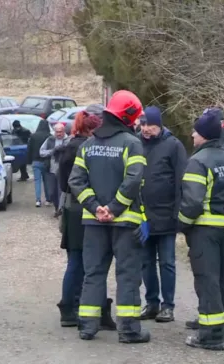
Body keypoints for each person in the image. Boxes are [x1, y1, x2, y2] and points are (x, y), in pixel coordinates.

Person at [68, 90, 149, 344]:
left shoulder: (88, 145)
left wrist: (96, 208)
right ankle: (129, 331)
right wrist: (114, 209)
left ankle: (87, 327)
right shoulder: (132, 143)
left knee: (93, 273)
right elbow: (133, 180)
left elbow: (76, 181)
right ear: (129, 116)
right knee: (127, 276)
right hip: (125, 224)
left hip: (93, 223)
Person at [178, 108, 224, 351]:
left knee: (208, 281)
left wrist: (182, 226)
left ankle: (211, 335)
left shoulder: (198, 162)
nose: (192, 135)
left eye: (195, 132)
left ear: (205, 136)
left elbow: (192, 203)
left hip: (205, 232)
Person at [56, 104, 116, 331]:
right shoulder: (84, 149)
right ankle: (76, 307)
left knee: (80, 262)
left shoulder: (72, 147)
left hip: (74, 211)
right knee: (84, 263)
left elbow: (63, 184)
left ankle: (74, 308)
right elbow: (70, 183)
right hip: (83, 211)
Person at [136, 106, 187, 323]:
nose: (147, 129)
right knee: (146, 262)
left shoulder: (173, 146)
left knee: (167, 262)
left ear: (160, 125)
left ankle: (168, 306)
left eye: (152, 126)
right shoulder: (135, 144)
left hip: (166, 215)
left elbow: (181, 182)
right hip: (142, 216)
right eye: (144, 125)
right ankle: (152, 303)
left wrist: (178, 213)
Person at [39, 123, 70, 217]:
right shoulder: (50, 140)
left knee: (61, 191)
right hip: (51, 170)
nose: (59, 134)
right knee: (51, 192)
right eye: (57, 132)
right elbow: (41, 152)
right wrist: (52, 151)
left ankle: (60, 210)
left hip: (63, 170)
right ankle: (56, 207)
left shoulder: (68, 140)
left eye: (60, 132)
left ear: (64, 131)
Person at [27, 119, 52, 207]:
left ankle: (38, 200)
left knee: (37, 181)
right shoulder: (49, 136)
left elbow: (29, 149)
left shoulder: (33, 136)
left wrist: (29, 161)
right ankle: (48, 199)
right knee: (46, 181)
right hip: (46, 162)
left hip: (36, 161)